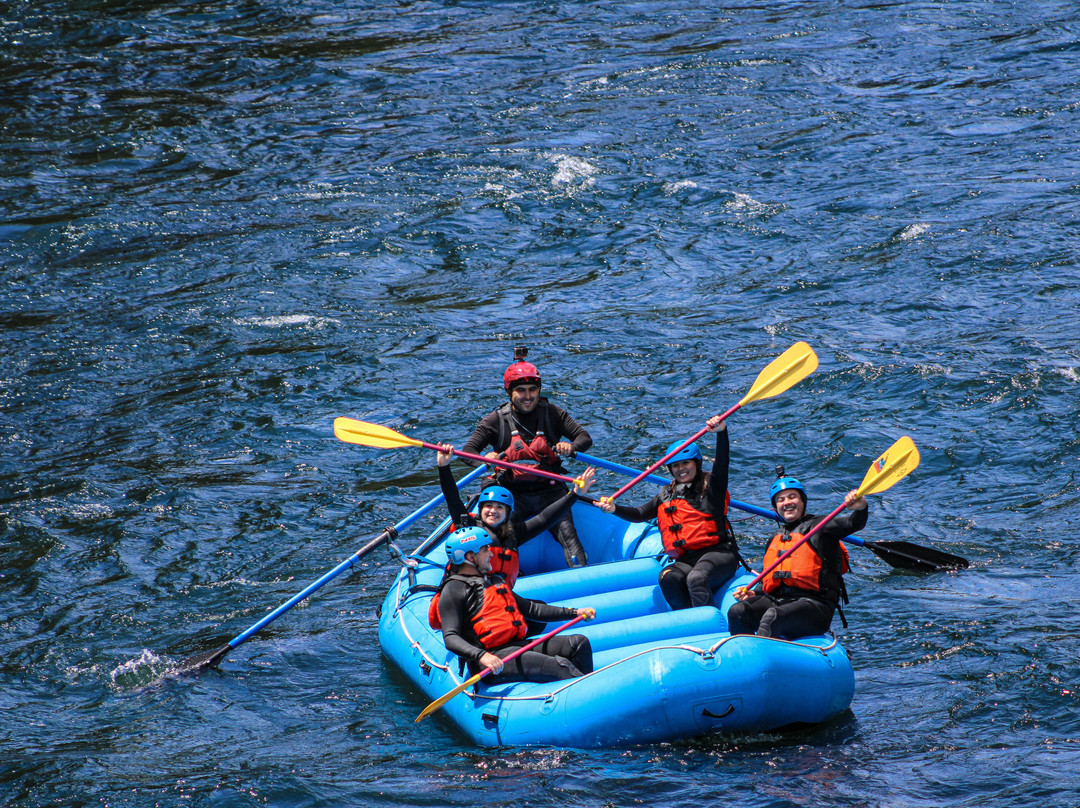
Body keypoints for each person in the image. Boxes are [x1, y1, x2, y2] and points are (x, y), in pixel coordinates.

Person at [462, 347, 594, 568]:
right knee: (500, 538)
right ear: (509, 393)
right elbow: (468, 452)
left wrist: (570, 447)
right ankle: (502, 580)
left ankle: (582, 575)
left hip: (549, 490)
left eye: (533, 389)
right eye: (521, 390)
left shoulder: (553, 413)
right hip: (510, 494)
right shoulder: (495, 420)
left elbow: (584, 437)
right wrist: (486, 460)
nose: (528, 396)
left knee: (569, 536)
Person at [596, 416, 740, 610]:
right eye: (676, 466)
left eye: (686, 463)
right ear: (670, 469)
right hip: (686, 558)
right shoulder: (667, 494)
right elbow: (640, 514)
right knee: (668, 577)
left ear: (696, 463)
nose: (681, 469)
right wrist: (614, 509)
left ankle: (706, 624)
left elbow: (722, 463)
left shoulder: (712, 487)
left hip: (718, 553)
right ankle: (686, 618)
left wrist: (722, 432)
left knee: (697, 578)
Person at [430, 526, 596, 684]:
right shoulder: (453, 589)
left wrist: (574, 612)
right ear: (470, 557)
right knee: (556, 665)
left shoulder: (494, 581)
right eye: (485, 550)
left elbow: (532, 609)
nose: (491, 554)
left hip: (514, 646)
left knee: (578, 643)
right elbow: (451, 637)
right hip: (489, 660)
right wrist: (482, 656)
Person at [727, 474, 868, 640]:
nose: (786, 502)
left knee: (772, 616)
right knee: (737, 612)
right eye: (780, 500)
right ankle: (746, 658)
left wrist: (861, 507)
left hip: (815, 607)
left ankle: (771, 663)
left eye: (792, 497)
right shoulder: (775, 538)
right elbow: (768, 579)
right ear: (776, 507)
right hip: (779, 601)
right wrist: (754, 593)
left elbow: (853, 523)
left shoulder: (822, 527)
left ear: (803, 501)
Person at [435, 444, 597, 586]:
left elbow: (545, 518)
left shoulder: (513, 533)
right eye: (488, 506)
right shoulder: (468, 525)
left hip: (500, 595)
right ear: (481, 509)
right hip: (469, 595)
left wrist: (574, 494)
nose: (492, 511)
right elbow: (452, 498)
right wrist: (444, 467)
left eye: (499, 508)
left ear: (507, 513)